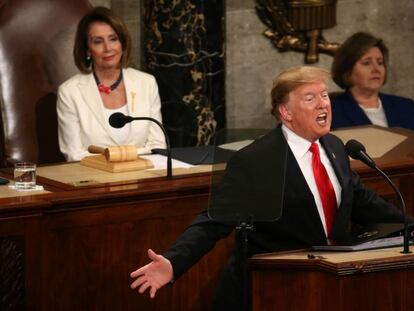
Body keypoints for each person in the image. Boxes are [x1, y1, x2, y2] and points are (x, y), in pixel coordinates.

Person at [130, 66, 405, 310]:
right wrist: (174, 261)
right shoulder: (256, 160)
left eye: (324, 95)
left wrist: (410, 227)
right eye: (310, 98)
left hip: (329, 284)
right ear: (285, 112)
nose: (323, 104)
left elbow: (361, 199)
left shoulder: (334, 146)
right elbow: (214, 220)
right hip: (274, 288)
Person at [57, 7, 166, 161]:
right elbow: (74, 154)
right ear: (87, 49)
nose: (108, 48)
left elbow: (158, 146)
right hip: (95, 179)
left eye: (113, 39)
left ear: (122, 43)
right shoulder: (69, 92)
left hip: (142, 176)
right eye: (98, 42)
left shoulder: (146, 83)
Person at [330, 32, 414, 130]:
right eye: (366, 63)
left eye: (380, 62)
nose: (376, 69)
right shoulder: (331, 111)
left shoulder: (406, 107)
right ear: (347, 69)